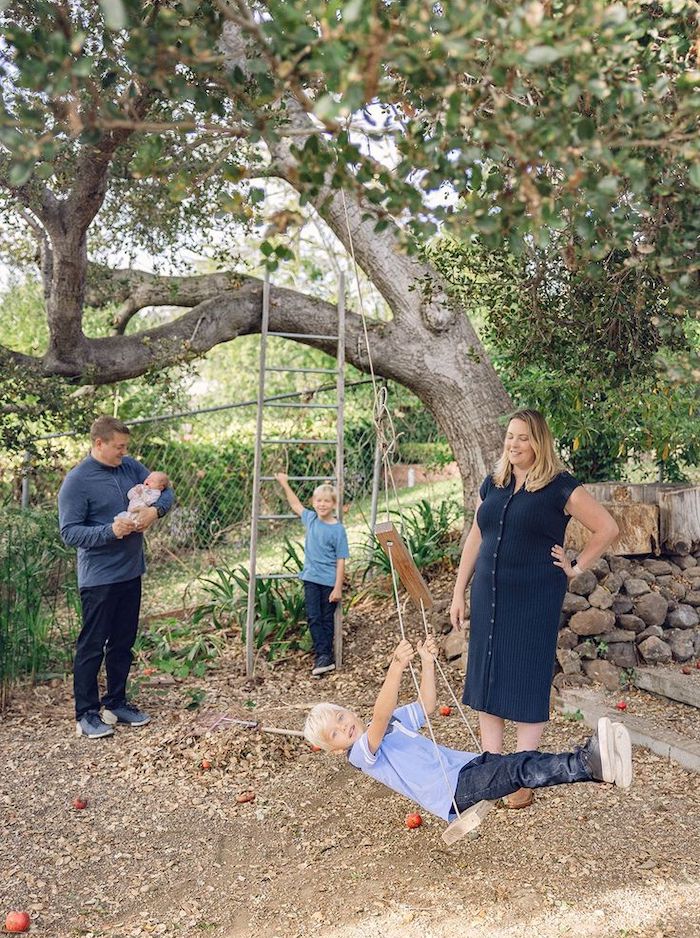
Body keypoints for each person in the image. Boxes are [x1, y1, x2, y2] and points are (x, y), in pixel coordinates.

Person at [449, 409, 620, 809]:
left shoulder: (560, 486)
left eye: (523, 437)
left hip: (533, 599)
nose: (513, 444)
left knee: (526, 678)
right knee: (486, 678)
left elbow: (607, 528)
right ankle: (495, 771)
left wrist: (576, 567)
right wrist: (459, 590)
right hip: (489, 598)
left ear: (539, 442)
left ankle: (522, 779)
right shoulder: (494, 484)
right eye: (510, 436)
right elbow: (476, 537)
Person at [304, 637, 633, 825]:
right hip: (452, 792)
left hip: (463, 768)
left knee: (519, 763)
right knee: (517, 767)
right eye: (334, 733)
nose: (342, 726)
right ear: (336, 749)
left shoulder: (395, 724)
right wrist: (396, 667)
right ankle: (587, 763)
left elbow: (427, 704)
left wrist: (427, 662)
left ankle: (598, 768)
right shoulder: (361, 755)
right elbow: (378, 716)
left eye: (338, 716)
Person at [58, 416, 174, 739]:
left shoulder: (129, 467)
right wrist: (109, 531)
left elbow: (165, 490)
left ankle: (117, 702)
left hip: (130, 572)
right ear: (99, 443)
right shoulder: (77, 481)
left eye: (126, 447)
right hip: (98, 578)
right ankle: (86, 713)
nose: (124, 453)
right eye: (119, 447)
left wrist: (155, 512)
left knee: (123, 642)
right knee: (93, 645)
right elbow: (69, 532)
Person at [276, 473, 349, 676]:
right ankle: (323, 656)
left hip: (328, 581)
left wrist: (337, 587)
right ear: (313, 503)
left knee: (326, 619)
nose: (322, 504)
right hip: (310, 579)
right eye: (318, 501)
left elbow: (341, 559)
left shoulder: (338, 530)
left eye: (327, 501)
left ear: (334, 504)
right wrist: (285, 483)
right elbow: (295, 505)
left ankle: (324, 657)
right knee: (313, 617)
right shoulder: (310, 520)